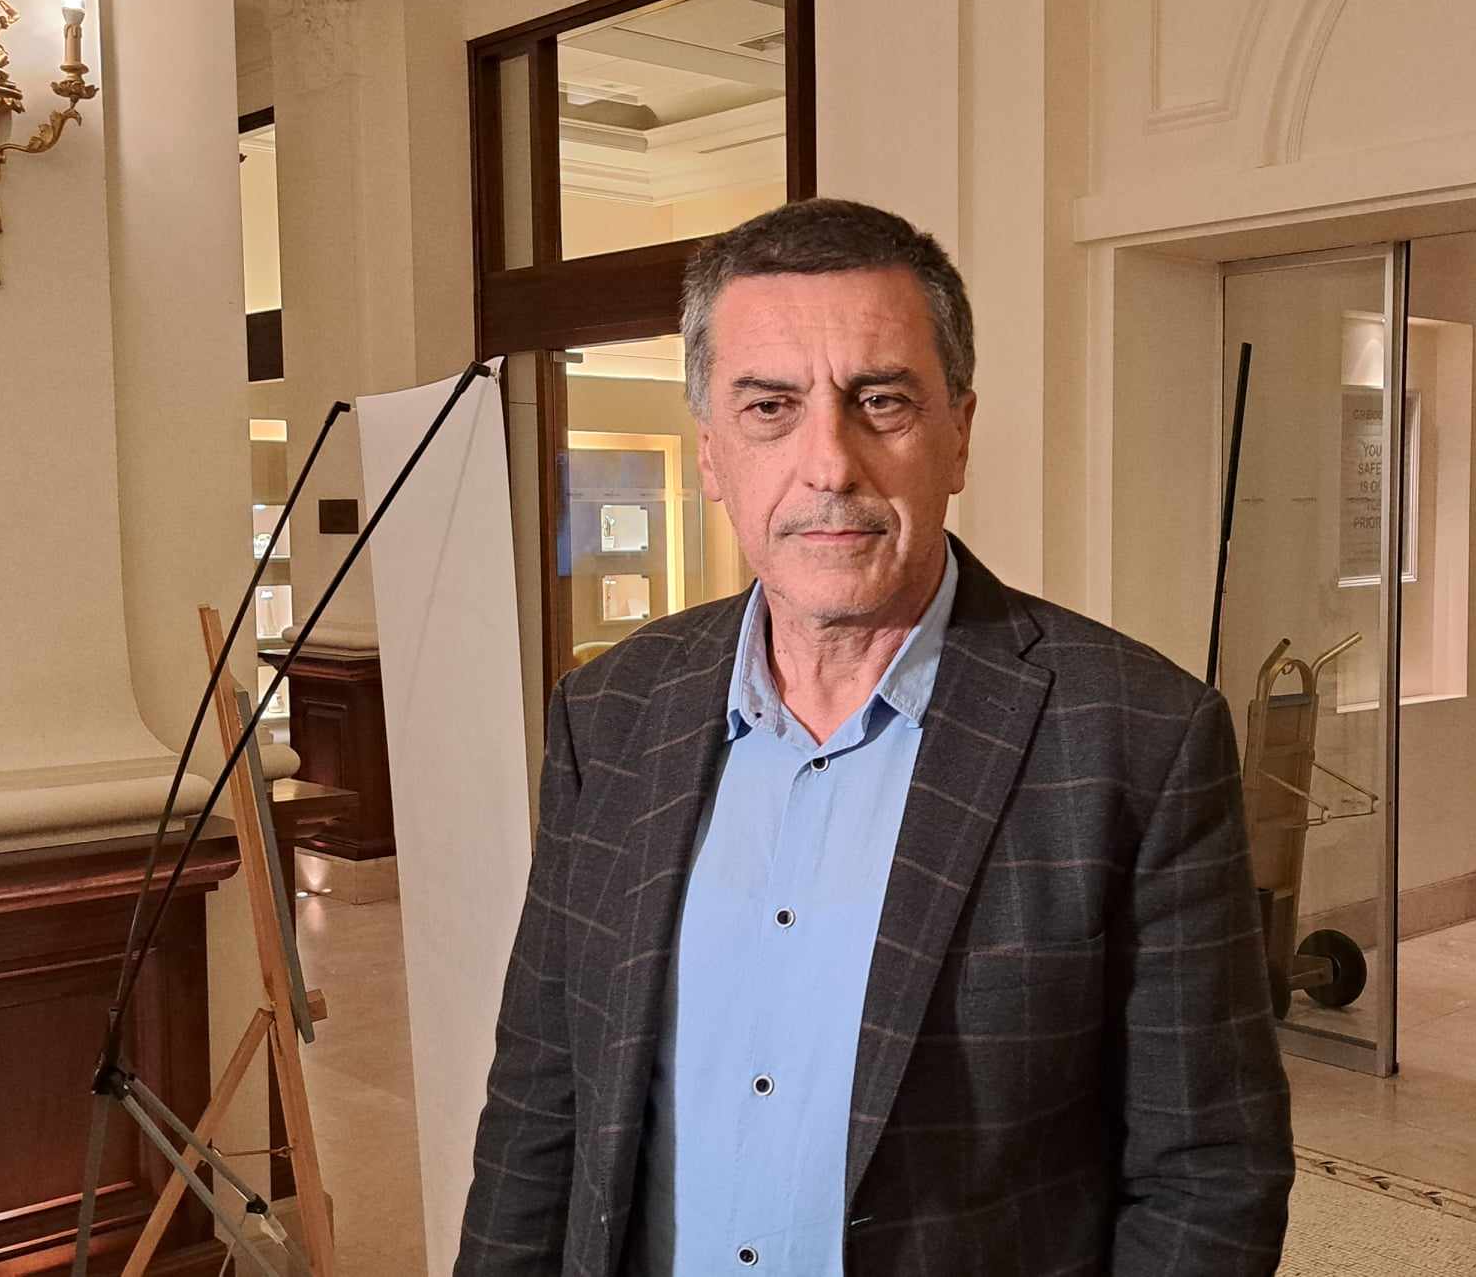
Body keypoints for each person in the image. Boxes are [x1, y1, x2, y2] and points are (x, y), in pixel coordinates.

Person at [456, 198, 1293, 1276]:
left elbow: (1209, 1172)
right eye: (770, 407)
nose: (830, 465)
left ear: (959, 434)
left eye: (881, 401)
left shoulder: (1138, 737)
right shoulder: (610, 713)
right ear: (711, 453)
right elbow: (541, 1097)